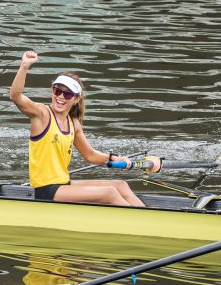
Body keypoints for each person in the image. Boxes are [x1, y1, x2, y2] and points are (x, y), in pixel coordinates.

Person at [8, 50, 144, 206]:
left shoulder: (74, 123)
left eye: (67, 95)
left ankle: (149, 219)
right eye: (57, 91)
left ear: (76, 99)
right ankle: (142, 225)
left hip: (63, 185)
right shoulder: (42, 115)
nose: (60, 97)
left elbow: (90, 155)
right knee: (109, 192)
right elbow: (15, 96)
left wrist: (114, 158)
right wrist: (24, 66)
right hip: (46, 190)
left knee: (120, 185)